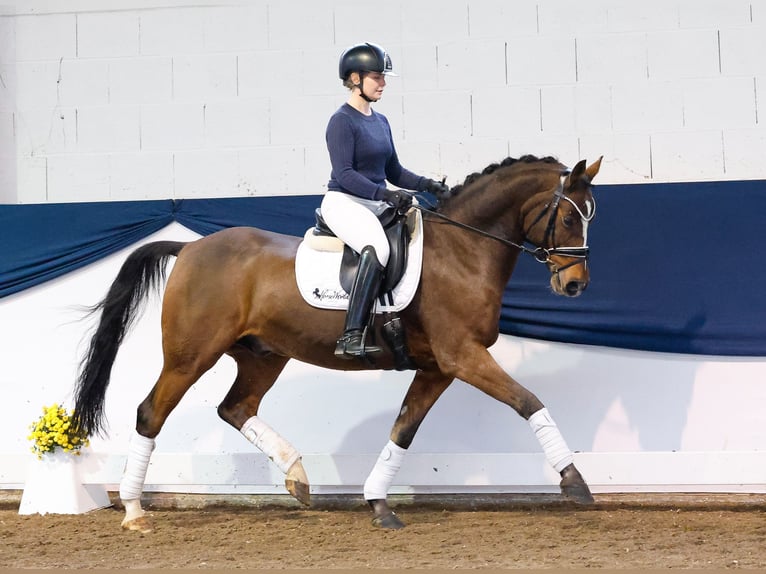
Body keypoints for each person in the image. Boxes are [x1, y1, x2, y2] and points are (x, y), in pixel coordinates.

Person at [322, 42, 449, 360]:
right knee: (377, 247)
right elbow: (345, 173)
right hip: (344, 201)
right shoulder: (342, 121)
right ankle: (351, 335)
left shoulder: (381, 122)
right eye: (377, 77)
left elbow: (393, 170)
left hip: (374, 202)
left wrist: (429, 185)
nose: (383, 83)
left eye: (383, 77)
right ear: (355, 78)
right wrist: (386, 194)